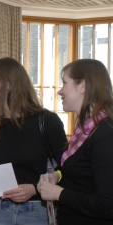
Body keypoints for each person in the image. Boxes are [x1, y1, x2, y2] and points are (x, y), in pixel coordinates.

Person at [0, 57, 67, 225]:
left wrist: (35, 188)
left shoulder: (47, 122)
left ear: (8, 83)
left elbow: (67, 171)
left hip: (37, 212)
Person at [37, 59, 113, 225]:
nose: (60, 91)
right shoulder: (87, 129)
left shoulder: (105, 134)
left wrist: (59, 194)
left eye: (64, 83)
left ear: (83, 86)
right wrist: (57, 176)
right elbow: (85, 175)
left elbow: (108, 205)